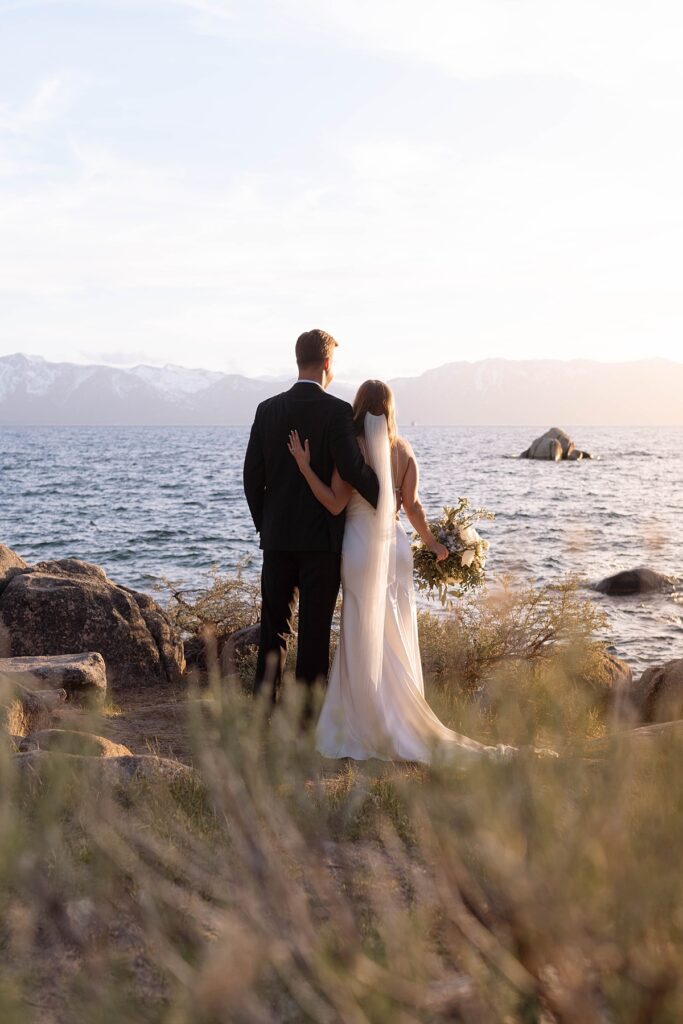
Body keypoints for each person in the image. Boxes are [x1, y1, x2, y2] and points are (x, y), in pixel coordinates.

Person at [287, 379, 518, 764]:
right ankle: (399, 715)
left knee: (361, 629)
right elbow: (412, 508)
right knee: (394, 628)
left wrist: (304, 466)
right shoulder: (404, 451)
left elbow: (332, 504)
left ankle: (363, 719)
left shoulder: (350, 449)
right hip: (395, 549)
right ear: (391, 410)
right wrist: (435, 544)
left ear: (358, 408)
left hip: (359, 548)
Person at [243, 329, 379, 704]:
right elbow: (352, 468)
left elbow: (252, 476)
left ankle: (264, 712)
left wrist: (264, 524)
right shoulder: (337, 412)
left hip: (278, 538)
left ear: (298, 360)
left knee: (274, 628)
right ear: (327, 363)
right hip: (322, 542)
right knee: (314, 631)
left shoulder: (267, 410)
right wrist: (387, 499)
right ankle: (305, 719)